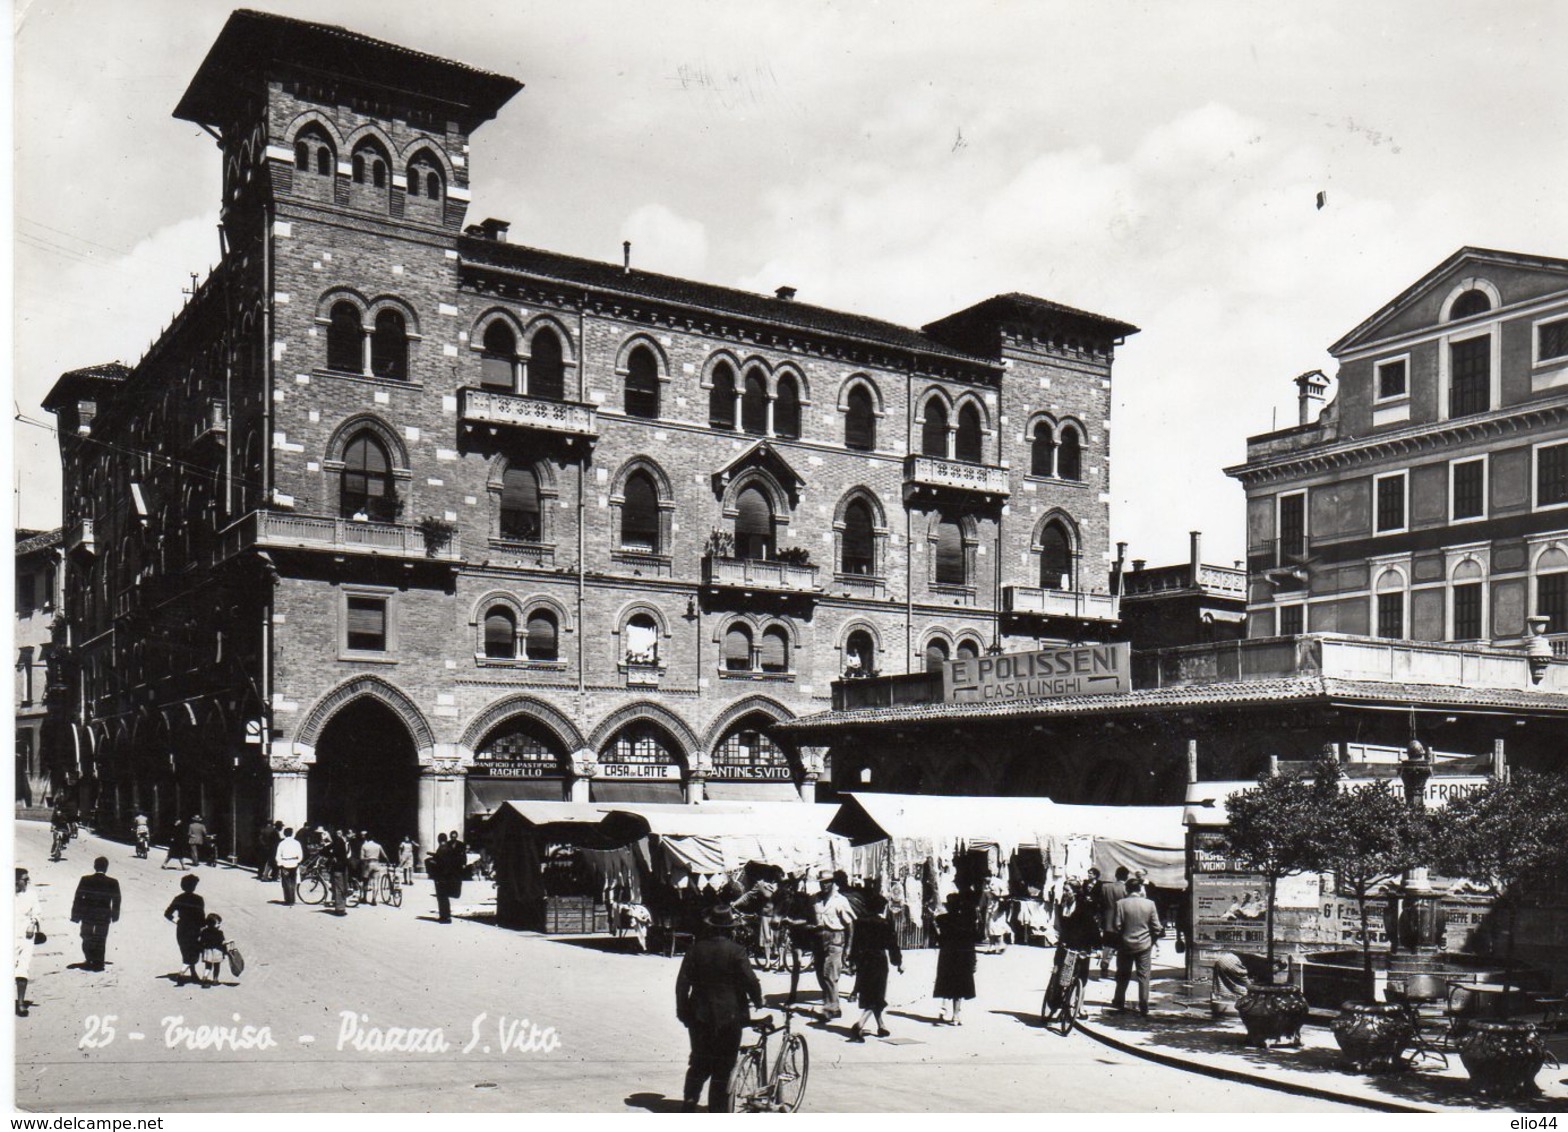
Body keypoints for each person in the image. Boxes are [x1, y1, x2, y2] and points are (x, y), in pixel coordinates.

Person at [674, 905, 764, 1112]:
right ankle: (717, 1110)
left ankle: (689, 1101)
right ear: (729, 929)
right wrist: (758, 1000)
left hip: (699, 1015)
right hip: (729, 1017)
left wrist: (682, 1011)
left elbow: (682, 985)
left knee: (698, 1060)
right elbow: (750, 980)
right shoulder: (736, 951)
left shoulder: (695, 950)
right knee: (723, 1067)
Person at [848, 891, 902, 1041]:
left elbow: (855, 943)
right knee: (877, 996)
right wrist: (898, 963)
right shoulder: (884, 924)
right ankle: (859, 1025)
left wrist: (852, 962)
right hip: (878, 961)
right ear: (881, 908)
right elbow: (892, 945)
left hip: (863, 961)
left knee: (869, 992)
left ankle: (881, 1025)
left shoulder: (859, 922)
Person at [1110, 877, 1163, 1016]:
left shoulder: (1120, 904)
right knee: (1144, 976)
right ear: (1140, 889)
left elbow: (1117, 926)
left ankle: (1119, 1001)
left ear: (1127, 889)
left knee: (1122, 974)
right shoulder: (1150, 904)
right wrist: (1151, 940)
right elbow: (1157, 927)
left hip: (1125, 945)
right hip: (1144, 945)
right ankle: (1144, 1004)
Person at [811, 868, 855, 1020]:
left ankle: (832, 1007)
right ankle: (829, 1004)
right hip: (819, 939)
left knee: (829, 974)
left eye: (827, 883)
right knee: (819, 973)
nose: (824, 886)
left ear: (833, 883)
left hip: (835, 939)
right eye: (822, 883)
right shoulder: (815, 899)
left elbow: (849, 924)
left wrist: (848, 947)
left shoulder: (840, 900)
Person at [932, 892, 978, 1025]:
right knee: (959, 985)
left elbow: (939, 939)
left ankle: (943, 1008)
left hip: (947, 954)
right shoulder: (967, 921)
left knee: (947, 982)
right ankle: (956, 1016)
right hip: (963, 955)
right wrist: (973, 960)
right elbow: (972, 941)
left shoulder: (942, 919)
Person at [69, 856, 122, 971]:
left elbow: (78, 898)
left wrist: (75, 915)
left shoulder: (85, 880)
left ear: (94, 866)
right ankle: (99, 962)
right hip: (104, 915)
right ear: (106, 868)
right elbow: (117, 900)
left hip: (87, 914)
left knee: (86, 936)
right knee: (101, 938)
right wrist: (115, 915)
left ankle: (89, 958)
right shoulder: (113, 882)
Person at [163, 874, 206, 984]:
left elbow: (167, 914)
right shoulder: (199, 899)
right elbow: (202, 917)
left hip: (182, 928)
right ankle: (183, 974)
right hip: (195, 928)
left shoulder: (179, 898)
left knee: (186, 951)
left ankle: (192, 973)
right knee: (193, 951)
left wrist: (177, 921)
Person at [15, 868, 43, 1017]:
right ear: (16, 881)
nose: (27, 882)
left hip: (26, 936)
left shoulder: (31, 894)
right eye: (25, 880)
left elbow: (37, 911)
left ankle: (20, 1003)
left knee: (23, 968)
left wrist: (33, 923)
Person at [1096, 866, 1129, 978]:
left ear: (1116, 875)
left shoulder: (1106, 887)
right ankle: (1120, 969)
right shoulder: (1126, 888)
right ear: (1126, 877)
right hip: (1122, 920)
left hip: (1108, 919)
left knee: (1108, 943)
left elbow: (1101, 903)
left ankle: (1105, 962)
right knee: (1121, 946)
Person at [274, 826, 303, 906]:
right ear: (292, 834)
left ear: (284, 834)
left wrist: (280, 864)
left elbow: (278, 855)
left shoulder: (282, 843)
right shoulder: (297, 843)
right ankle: (292, 899)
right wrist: (298, 861)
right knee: (293, 882)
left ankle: (288, 899)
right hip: (294, 864)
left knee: (286, 882)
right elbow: (300, 854)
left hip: (285, 864)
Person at [327, 829, 352, 914]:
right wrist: (332, 856)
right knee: (341, 887)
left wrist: (332, 855)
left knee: (341, 888)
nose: (338, 835)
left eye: (340, 833)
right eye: (337, 833)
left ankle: (341, 907)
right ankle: (340, 907)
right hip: (341, 867)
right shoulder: (340, 842)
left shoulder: (342, 842)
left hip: (341, 868)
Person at [197, 914, 227, 987]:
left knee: (208, 967)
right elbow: (222, 943)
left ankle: (204, 979)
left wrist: (202, 950)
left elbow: (201, 942)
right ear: (213, 924)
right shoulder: (219, 933)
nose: (219, 925)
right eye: (218, 923)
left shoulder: (204, 931)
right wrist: (225, 952)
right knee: (217, 966)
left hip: (207, 952)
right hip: (217, 951)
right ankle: (215, 980)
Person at [359, 834, 387, 904]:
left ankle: (364, 898)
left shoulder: (364, 846)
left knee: (365, 882)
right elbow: (385, 856)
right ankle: (374, 899)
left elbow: (361, 858)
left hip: (367, 864)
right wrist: (388, 862)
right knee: (375, 882)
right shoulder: (378, 846)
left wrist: (368, 858)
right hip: (376, 864)